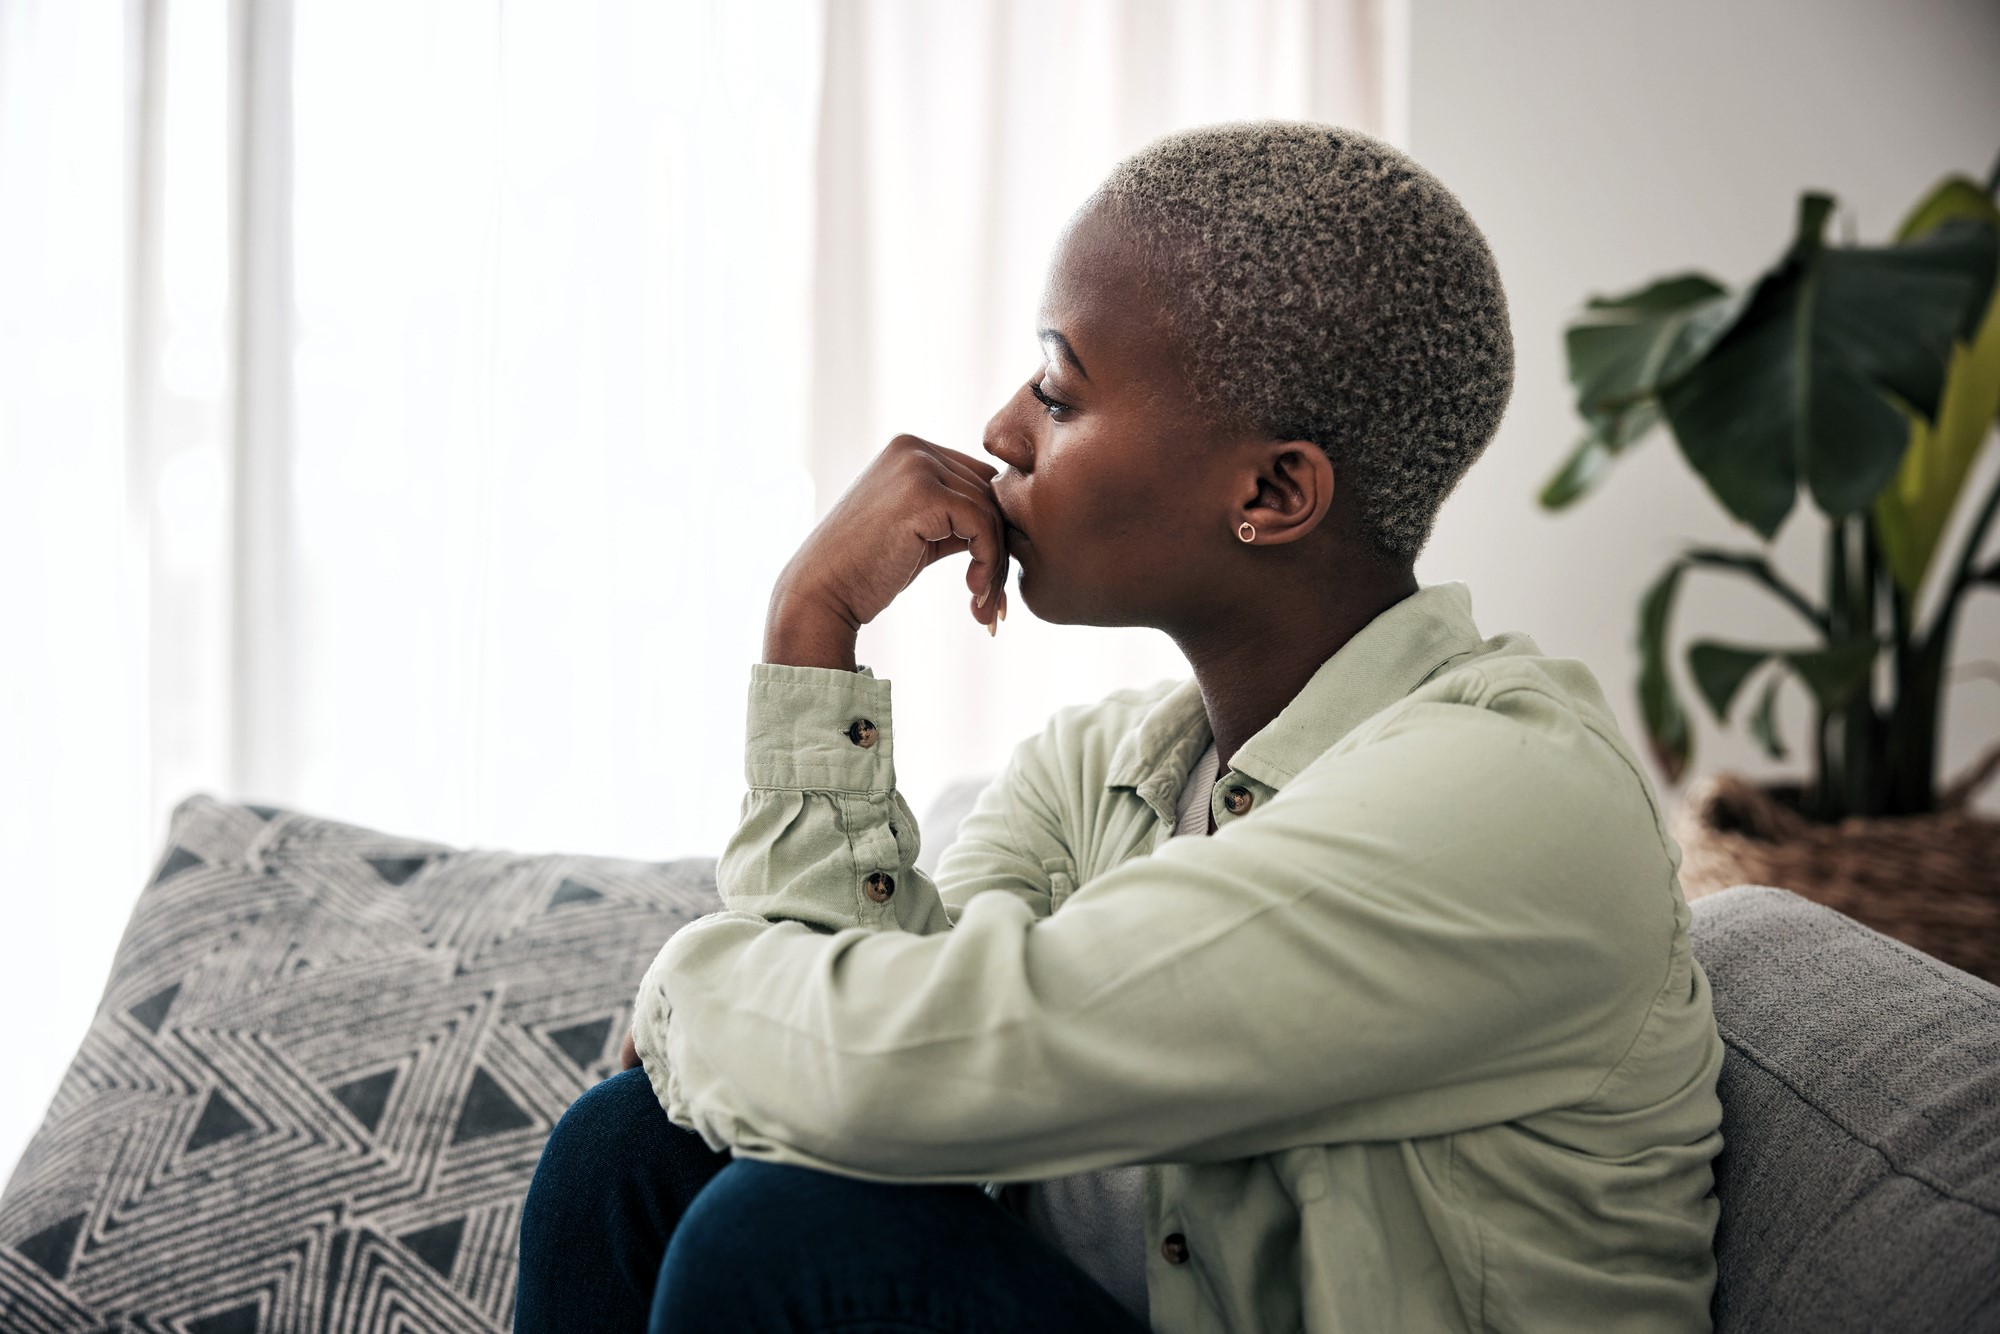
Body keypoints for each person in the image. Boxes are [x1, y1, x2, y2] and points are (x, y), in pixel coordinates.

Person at [513, 120, 1726, 1334]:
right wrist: (812, 624)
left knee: (785, 1241)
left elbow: (889, 1069)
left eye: (1055, 391)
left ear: (1271, 492)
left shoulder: (1504, 796)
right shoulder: (1103, 772)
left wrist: (682, 983)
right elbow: (851, 1090)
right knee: (629, 1152)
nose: (998, 430)